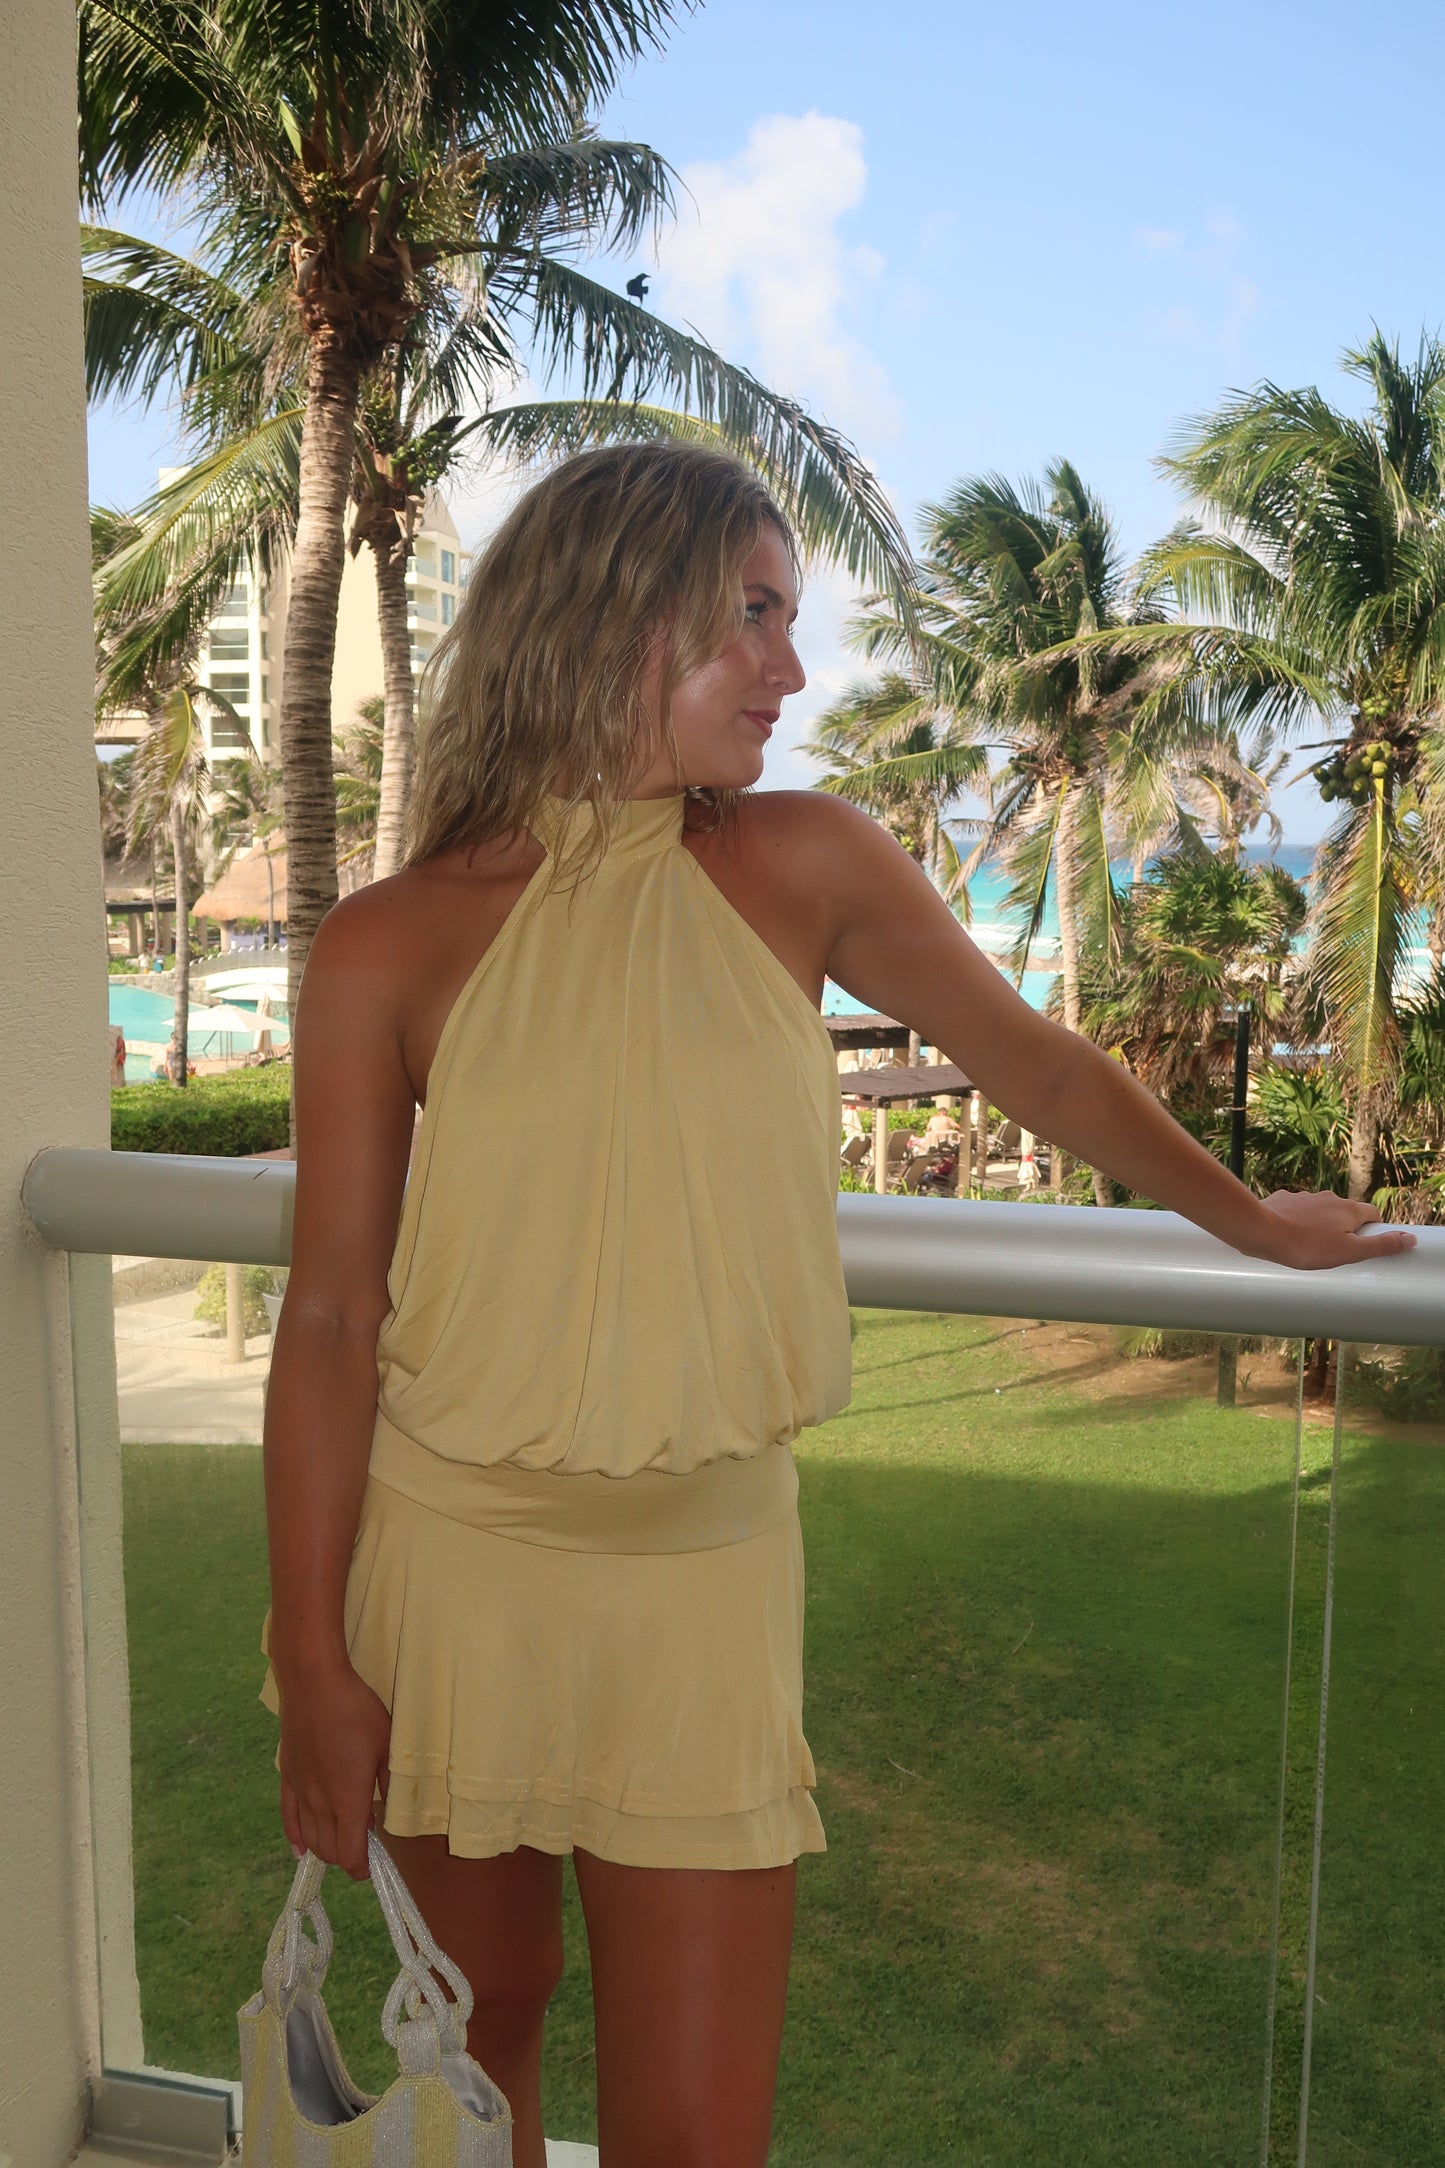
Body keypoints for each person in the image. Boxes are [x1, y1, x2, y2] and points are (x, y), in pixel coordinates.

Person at [262, 442, 1412, 2168]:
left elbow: (1034, 1062)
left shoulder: (807, 860)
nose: (790, 672)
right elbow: (334, 1318)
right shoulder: (385, 941)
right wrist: (312, 1656)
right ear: (611, 613)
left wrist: (1248, 1219)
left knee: (697, 2134)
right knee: (470, 2063)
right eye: (751, 617)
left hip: (708, 1582)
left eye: (787, 622)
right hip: (449, 1574)